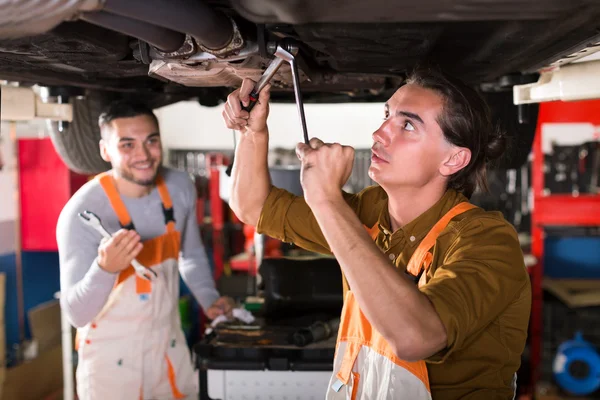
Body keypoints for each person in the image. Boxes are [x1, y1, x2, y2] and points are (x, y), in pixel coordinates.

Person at [222, 68, 531, 399]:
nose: (380, 133)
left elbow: (416, 337)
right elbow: (253, 206)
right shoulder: (372, 211)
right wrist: (252, 133)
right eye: (387, 115)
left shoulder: (486, 239)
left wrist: (327, 201)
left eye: (408, 125)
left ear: (453, 160)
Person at [57, 99, 234, 400]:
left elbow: (189, 255)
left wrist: (209, 299)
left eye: (151, 141)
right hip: (113, 368)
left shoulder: (179, 188)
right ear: (105, 151)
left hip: (168, 350)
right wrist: (105, 269)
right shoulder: (82, 212)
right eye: (127, 145)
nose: (143, 155)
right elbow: (77, 314)